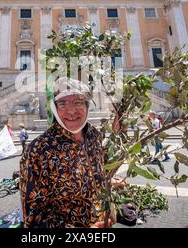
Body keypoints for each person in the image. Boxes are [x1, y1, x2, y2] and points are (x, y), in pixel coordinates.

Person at [20, 78, 120, 228]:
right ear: (54, 108)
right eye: (62, 103)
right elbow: (34, 221)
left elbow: (99, 174)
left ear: (87, 106)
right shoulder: (37, 150)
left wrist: (109, 182)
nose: (71, 110)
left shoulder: (95, 136)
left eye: (78, 102)